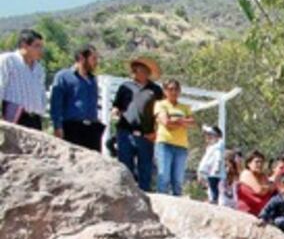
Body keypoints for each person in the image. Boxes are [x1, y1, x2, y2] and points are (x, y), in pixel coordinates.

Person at [112, 58, 163, 191]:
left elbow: (161, 111)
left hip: (146, 135)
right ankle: (124, 196)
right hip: (125, 132)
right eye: (134, 69)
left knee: (145, 170)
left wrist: (156, 132)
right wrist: (115, 113)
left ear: (146, 72)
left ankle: (146, 198)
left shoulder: (155, 90)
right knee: (124, 167)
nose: (135, 71)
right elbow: (116, 105)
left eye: (138, 69)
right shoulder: (125, 87)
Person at [50, 45, 103, 151]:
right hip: (71, 127)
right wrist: (57, 126)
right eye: (93, 58)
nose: (96, 62)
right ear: (82, 58)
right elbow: (56, 104)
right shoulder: (63, 77)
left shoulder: (92, 80)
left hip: (91, 129)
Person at [153, 79, 195, 196]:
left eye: (176, 89)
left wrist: (176, 120)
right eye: (170, 89)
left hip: (181, 146)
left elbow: (192, 123)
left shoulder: (185, 107)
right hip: (165, 144)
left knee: (178, 179)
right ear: (165, 91)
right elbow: (165, 122)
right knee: (164, 177)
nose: (174, 92)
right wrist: (182, 122)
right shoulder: (160, 104)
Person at [0, 29, 46, 130]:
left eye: (41, 46)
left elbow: (41, 92)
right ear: (25, 45)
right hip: (15, 117)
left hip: (35, 119)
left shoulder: (39, 68)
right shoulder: (8, 60)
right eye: (37, 46)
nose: (40, 50)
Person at [237, 150, 275, 215]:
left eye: (262, 162)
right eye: (257, 162)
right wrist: (267, 187)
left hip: (262, 211)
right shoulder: (246, 173)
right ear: (249, 163)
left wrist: (266, 188)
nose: (260, 164)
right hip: (248, 211)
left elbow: (273, 188)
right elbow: (259, 190)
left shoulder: (262, 175)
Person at [197, 126, 225, 203]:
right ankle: (211, 198)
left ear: (217, 137)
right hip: (209, 172)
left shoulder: (217, 148)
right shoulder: (211, 148)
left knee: (213, 186)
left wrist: (217, 168)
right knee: (209, 186)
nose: (208, 137)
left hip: (214, 172)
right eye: (207, 135)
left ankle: (214, 199)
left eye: (210, 135)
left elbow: (218, 159)